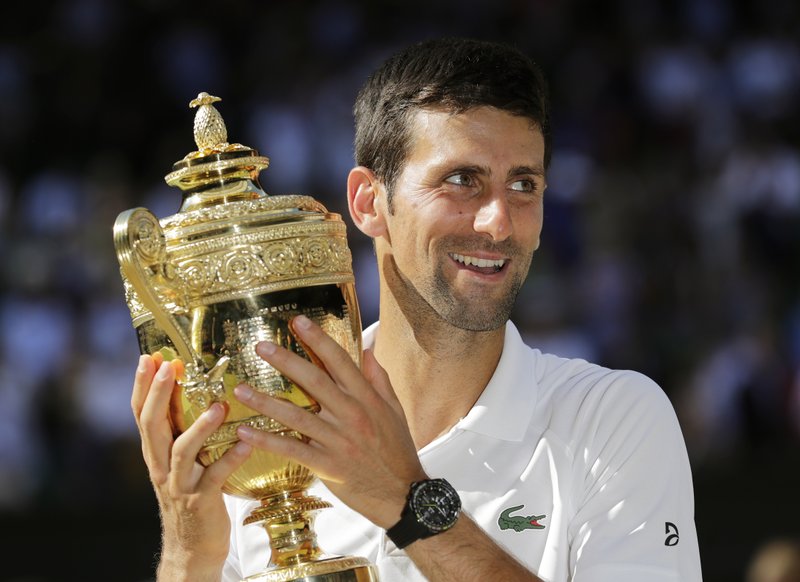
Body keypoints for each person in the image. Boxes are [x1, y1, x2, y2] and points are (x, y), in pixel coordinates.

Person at [132, 37, 702, 581]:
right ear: (368, 203)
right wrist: (187, 556)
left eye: (524, 185)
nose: (498, 222)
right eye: (462, 181)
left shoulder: (613, 418)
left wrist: (406, 503)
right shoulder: (266, 431)